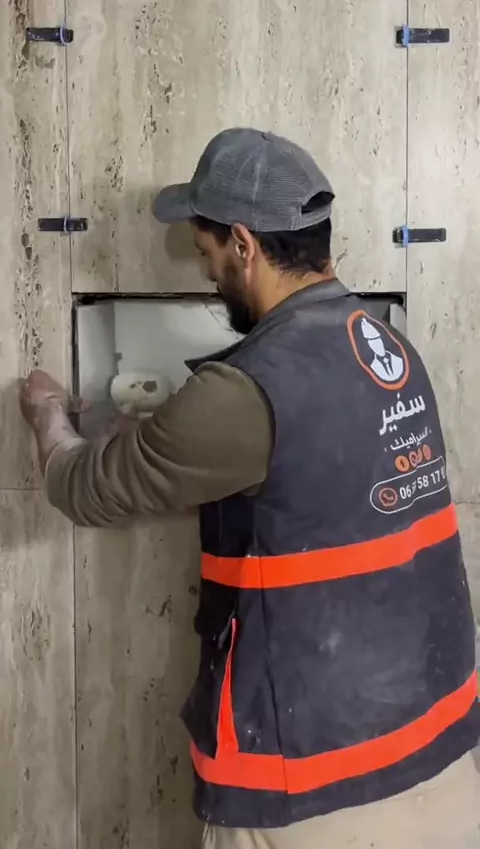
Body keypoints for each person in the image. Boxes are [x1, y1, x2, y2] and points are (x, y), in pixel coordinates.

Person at [20, 128, 480, 849]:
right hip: (443, 760)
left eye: (204, 252)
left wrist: (46, 414)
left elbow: (83, 489)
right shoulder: (389, 350)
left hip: (316, 798)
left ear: (242, 243)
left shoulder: (243, 391)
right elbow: (313, 481)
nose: (207, 273)